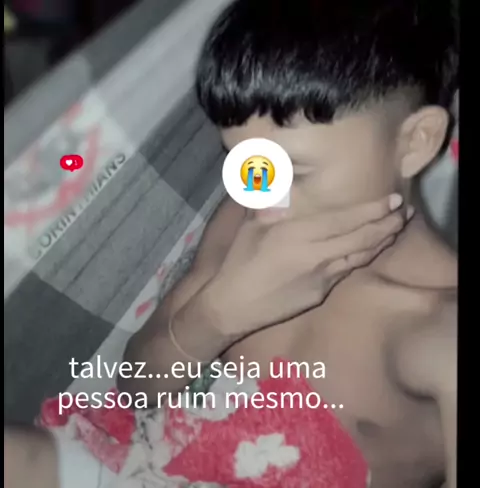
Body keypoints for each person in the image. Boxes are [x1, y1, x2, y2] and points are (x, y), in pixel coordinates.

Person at [4, 1, 457, 487]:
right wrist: (218, 314)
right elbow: (137, 388)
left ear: (416, 142)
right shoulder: (244, 215)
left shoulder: (436, 329)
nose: (261, 197)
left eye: (294, 171)